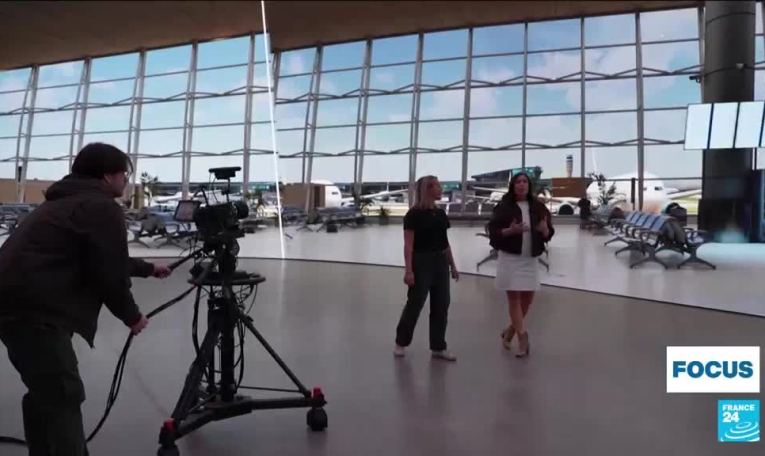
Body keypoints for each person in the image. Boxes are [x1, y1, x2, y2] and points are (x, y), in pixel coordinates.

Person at [0, 143, 172, 456]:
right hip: (35, 313)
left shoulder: (63, 203)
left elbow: (99, 256)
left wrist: (147, 269)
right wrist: (132, 316)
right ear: (107, 175)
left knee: (45, 391)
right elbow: (109, 275)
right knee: (62, 394)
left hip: (14, 306)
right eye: (124, 174)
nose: (126, 181)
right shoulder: (101, 207)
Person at [488, 172, 554, 357]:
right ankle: (522, 337)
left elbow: (549, 233)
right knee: (514, 299)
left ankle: (510, 331)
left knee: (528, 300)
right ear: (513, 185)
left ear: (529, 185)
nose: (522, 184)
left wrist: (545, 230)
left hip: (529, 259)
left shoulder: (538, 207)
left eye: (525, 181)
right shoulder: (504, 207)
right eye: (518, 182)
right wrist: (510, 231)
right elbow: (493, 232)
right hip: (510, 259)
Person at [394, 175, 459, 361]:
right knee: (415, 304)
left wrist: (452, 265)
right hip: (421, 261)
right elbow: (408, 245)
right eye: (438, 186)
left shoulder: (440, 214)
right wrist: (408, 270)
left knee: (441, 305)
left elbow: (445, 242)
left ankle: (438, 347)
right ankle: (401, 342)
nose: (441, 189)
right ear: (428, 189)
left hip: (440, 262)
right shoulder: (413, 215)